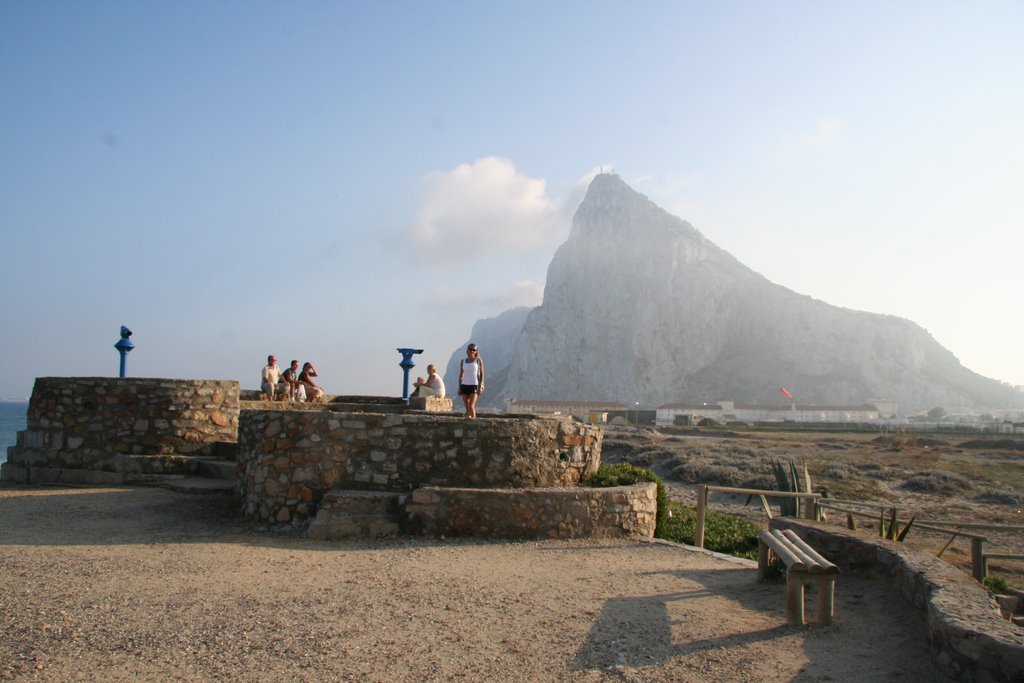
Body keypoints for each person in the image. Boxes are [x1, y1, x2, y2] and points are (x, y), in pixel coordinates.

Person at [457, 344, 484, 418]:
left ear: (476, 351)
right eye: (470, 349)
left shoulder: (478, 361)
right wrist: (459, 388)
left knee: (471, 406)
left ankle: (474, 423)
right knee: (467, 408)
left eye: (474, 350)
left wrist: (481, 386)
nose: (472, 351)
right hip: (464, 385)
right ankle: (468, 424)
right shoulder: (463, 361)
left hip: (474, 385)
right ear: (467, 350)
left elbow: (482, 374)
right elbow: (461, 375)